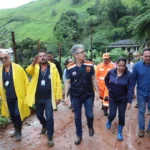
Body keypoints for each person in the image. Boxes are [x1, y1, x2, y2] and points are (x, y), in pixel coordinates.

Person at [25, 50, 62, 147]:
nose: (42, 57)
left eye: (44, 56)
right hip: (38, 98)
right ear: (38, 58)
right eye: (40, 56)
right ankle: (44, 124)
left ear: (47, 57)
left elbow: (58, 82)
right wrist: (33, 63)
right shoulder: (35, 67)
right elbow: (28, 71)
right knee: (39, 115)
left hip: (49, 98)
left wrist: (58, 97)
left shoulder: (53, 67)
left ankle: (50, 137)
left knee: (50, 117)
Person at [65, 44, 99, 145]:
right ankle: (79, 135)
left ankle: (90, 126)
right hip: (75, 96)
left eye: (84, 51)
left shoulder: (89, 64)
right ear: (75, 55)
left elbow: (93, 78)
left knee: (90, 115)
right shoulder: (70, 67)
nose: (84, 53)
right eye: (82, 52)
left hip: (88, 95)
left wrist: (97, 92)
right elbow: (67, 82)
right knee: (77, 117)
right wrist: (65, 96)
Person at [0, 52, 30, 141]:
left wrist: (27, 94)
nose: (3, 60)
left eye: (5, 57)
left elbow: (25, 80)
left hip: (18, 97)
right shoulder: (0, 70)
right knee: (12, 115)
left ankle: (19, 131)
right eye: (1, 58)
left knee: (18, 114)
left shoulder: (18, 68)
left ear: (9, 57)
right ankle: (16, 128)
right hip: (8, 98)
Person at [105, 57, 134, 141]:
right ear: (116, 65)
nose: (121, 68)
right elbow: (106, 80)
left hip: (123, 99)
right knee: (112, 114)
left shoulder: (129, 75)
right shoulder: (111, 72)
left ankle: (120, 132)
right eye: (119, 65)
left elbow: (130, 88)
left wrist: (129, 101)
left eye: (123, 66)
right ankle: (109, 120)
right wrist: (109, 87)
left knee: (121, 116)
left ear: (126, 66)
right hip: (113, 98)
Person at [132, 48, 150, 137]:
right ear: (142, 56)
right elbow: (133, 80)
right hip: (141, 93)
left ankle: (149, 129)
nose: (147, 58)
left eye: (149, 56)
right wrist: (132, 92)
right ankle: (141, 129)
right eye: (146, 56)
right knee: (141, 111)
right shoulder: (137, 66)